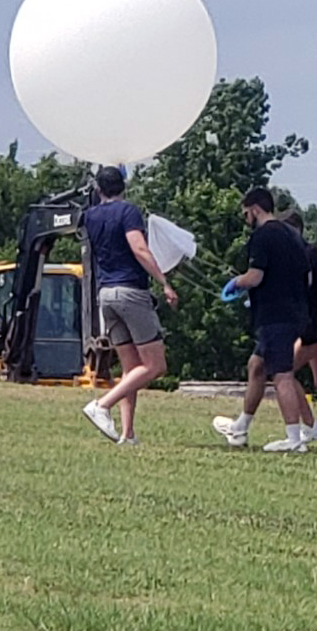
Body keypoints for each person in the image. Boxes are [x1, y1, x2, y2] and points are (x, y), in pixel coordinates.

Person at [213, 210, 317, 451]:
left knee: (285, 371)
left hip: (315, 328)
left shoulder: (306, 253)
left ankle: (310, 427)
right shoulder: (302, 251)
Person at [79, 166, 179, 444]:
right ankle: (101, 405)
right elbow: (138, 248)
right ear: (123, 186)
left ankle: (128, 434)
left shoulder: (90, 216)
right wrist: (164, 281)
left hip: (106, 295)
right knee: (155, 365)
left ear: (99, 189)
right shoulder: (128, 212)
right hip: (130, 292)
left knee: (130, 366)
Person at [216, 188, 314, 453]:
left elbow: (255, 277)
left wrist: (236, 283)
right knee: (257, 366)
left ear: (255, 209)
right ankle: (241, 427)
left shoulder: (262, 236)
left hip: (275, 315)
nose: (246, 218)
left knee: (281, 374)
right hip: (296, 312)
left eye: (246, 213)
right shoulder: (292, 236)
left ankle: (294, 439)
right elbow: (307, 278)